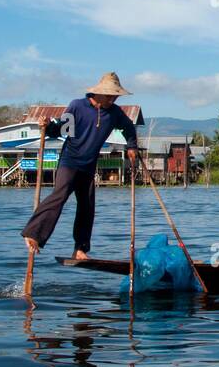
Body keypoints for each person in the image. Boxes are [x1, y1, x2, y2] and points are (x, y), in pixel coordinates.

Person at [21, 72, 140, 260]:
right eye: (109, 95)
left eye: (115, 95)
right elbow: (63, 129)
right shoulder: (78, 106)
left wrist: (132, 146)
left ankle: (80, 249)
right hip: (70, 161)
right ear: (98, 93)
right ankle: (33, 234)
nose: (112, 98)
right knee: (59, 196)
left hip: (89, 164)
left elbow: (129, 128)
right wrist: (47, 127)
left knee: (87, 206)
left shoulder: (115, 113)